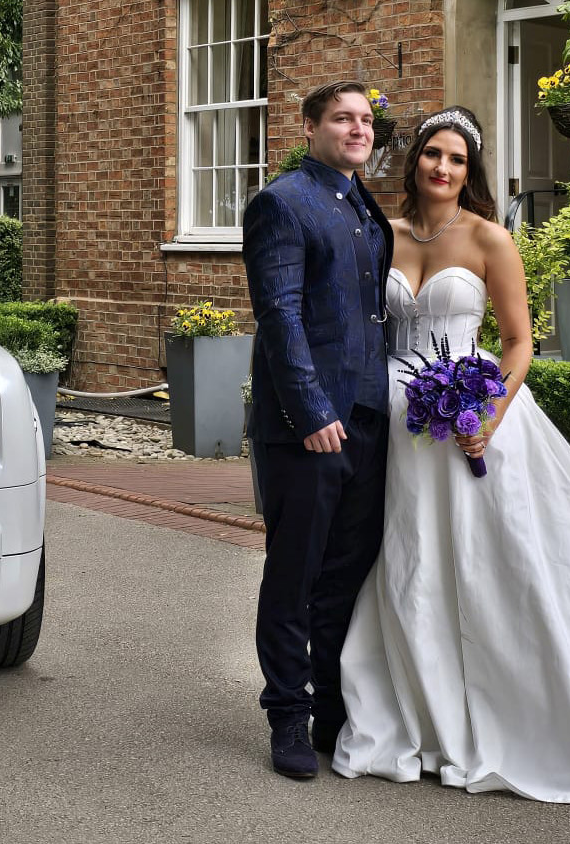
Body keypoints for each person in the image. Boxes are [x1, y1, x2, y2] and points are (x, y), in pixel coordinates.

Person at [330, 106, 570, 803]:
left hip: (472, 422)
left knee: (490, 565)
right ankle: (420, 714)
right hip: (396, 421)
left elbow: (520, 344)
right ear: (415, 161)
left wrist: (487, 412)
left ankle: (518, 709)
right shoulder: (379, 236)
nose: (442, 169)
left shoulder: (490, 240)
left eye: (456, 160)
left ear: (470, 172)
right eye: (432, 156)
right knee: (408, 559)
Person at [242, 80, 393, 778]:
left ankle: (331, 711)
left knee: (343, 578)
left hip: (367, 420)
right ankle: (288, 718)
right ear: (309, 127)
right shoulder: (283, 201)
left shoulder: (364, 207)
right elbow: (279, 315)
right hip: (307, 428)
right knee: (295, 575)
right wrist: (309, 413)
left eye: (365, 119)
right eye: (342, 118)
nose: (357, 129)